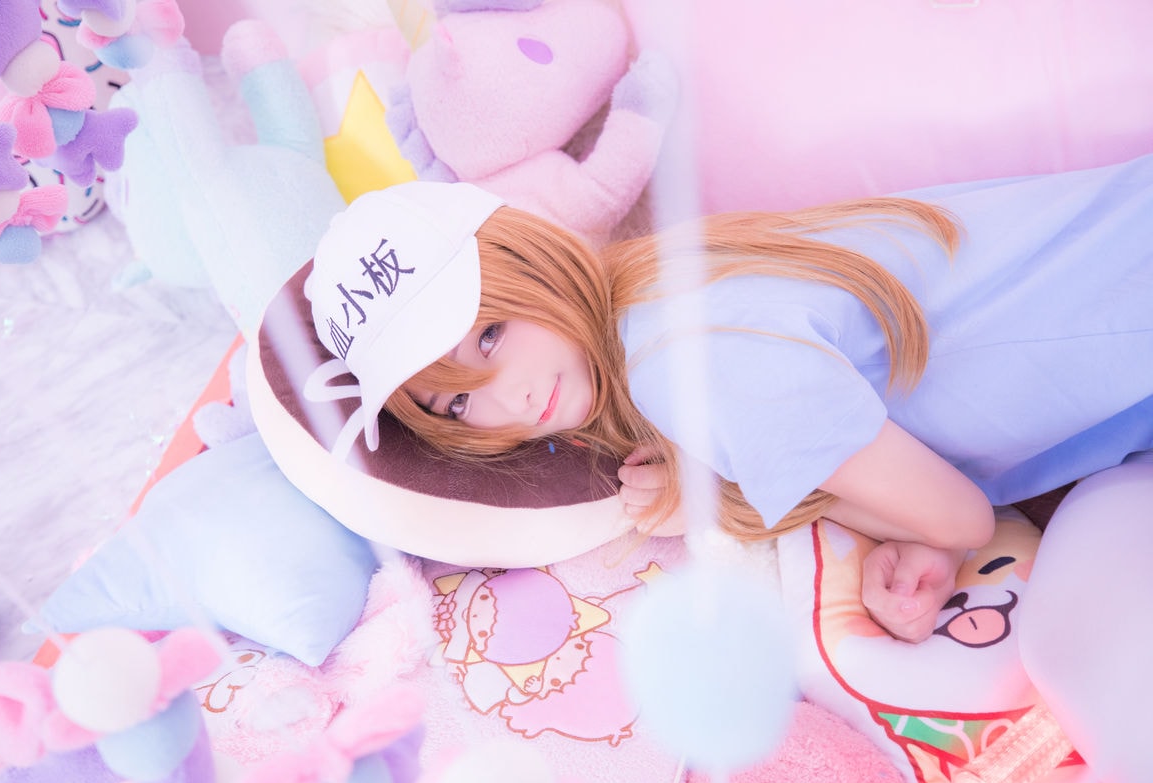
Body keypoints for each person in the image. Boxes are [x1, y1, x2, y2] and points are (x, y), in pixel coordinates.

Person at [301, 161, 1153, 645]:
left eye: (490, 335)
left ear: (534, 262)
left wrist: (720, 490)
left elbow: (961, 519)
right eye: (455, 406)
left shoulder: (682, 363)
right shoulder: (662, 284)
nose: (511, 397)